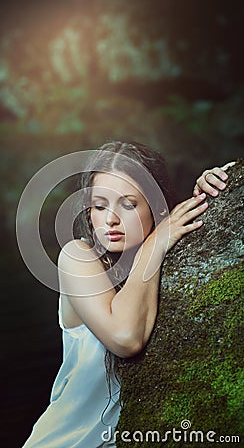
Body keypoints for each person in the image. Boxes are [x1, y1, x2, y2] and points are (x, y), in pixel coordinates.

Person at [22, 141, 231, 448]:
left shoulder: (168, 255)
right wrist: (153, 244)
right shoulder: (79, 257)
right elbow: (126, 338)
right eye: (99, 205)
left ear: (157, 207)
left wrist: (214, 189)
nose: (110, 220)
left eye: (128, 204)